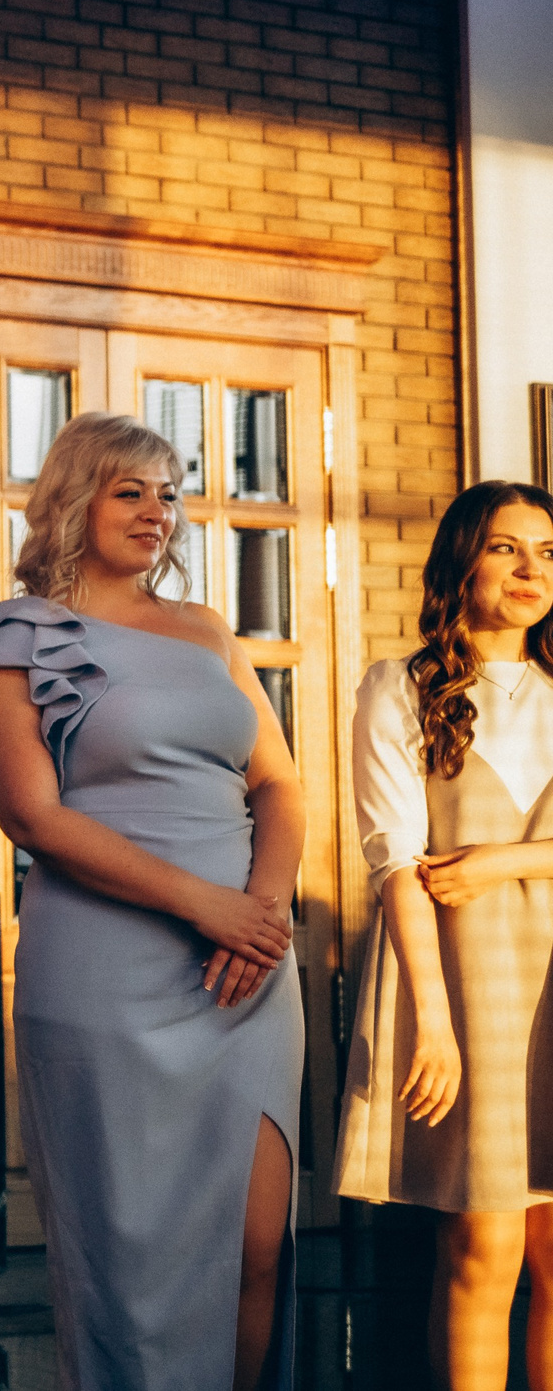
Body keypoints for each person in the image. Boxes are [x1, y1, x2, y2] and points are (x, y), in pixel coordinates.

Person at [0, 411, 304, 1391]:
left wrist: (261, 911)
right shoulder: (12, 637)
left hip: (248, 973)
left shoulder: (208, 632)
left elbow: (279, 784)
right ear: (73, 497)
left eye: (171, 493)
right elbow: (34, 818)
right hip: (104, 976)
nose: (158, 513)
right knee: (126, 1262)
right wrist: (206, 907)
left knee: (256, 1246)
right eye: (130, 490)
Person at [335, 480, 553, 1390]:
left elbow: (497, 861)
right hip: (475, 986)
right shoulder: (401, 687)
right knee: (485, 1242)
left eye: (546, 552)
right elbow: (396, 865)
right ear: (462, 560)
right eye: (507, 547)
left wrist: (507, 862)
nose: (531, 568)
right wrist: (434, 1021)